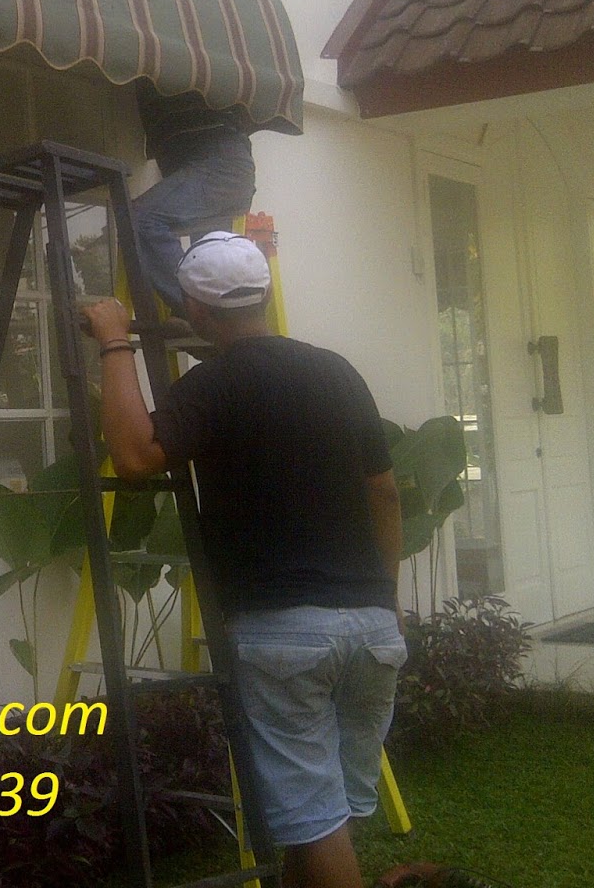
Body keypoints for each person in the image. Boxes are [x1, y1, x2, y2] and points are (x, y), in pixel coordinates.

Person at [82, 233, 405, 888]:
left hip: (284, 633)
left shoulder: (216, 383)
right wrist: (385, 598)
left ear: (197, 311)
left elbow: (135, 456)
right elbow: (385, 493)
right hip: (373, 629)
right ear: (261, 293)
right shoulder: (339, 372)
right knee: (325, 815)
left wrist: (115, 340)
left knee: (313, 819)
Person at [130, 82, 257, 317]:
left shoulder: (194, 65)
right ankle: (211, 316)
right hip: (208, 165)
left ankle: (197, 312)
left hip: (219, 163)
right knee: (209, 267)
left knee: (142, 217)